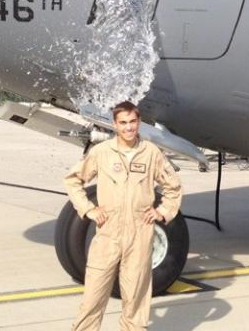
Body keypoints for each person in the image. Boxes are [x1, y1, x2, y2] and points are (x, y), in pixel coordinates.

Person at [65, 101, 183, 331]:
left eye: (132, 122)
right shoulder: (101, 152)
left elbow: (173, 187)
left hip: (140, 234)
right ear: (115, 125)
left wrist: (162, 212)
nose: (129, 127)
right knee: (93, 297)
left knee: (136, 299)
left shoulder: (151, 153)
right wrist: (88, 209)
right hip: (108, 234)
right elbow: (73, 180)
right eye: (123, 123)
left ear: (139, 122)